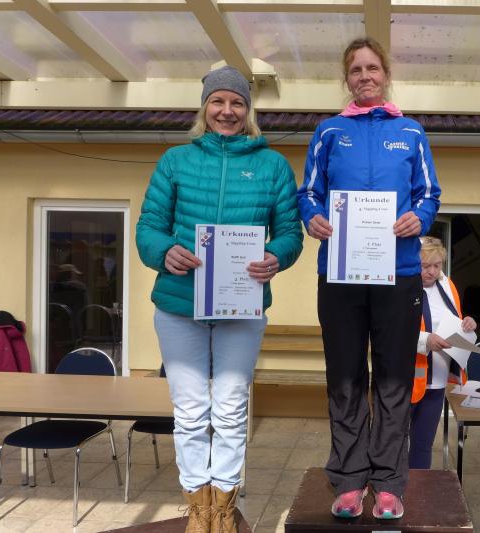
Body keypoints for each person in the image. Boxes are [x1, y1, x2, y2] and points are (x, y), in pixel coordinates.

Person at [136, 65, 303, 533]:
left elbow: (290, 233)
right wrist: (163, 251)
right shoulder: (175, 160)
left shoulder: (272, 165)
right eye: (218, 101)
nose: (227, 111)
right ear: (204, 107)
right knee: (190, 412)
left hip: (241, 306)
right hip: (179, 306)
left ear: (248, 111)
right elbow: (148, 227)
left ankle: (224, 508)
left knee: (230, 410)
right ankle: (198, 509)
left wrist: (275, 256)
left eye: (237, 103)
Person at [296, 36, 440, 520]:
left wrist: (420, 218)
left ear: (386, 75)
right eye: (356, 70)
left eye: (372, 68)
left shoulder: (411, 132)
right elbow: (308, 192)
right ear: (347, 78)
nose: (365, 76)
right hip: (340, 274)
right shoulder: (329, 131)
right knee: (345, 377)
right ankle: (349, 479)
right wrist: (312, 217)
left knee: (394, 379)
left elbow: (429, 194)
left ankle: (389, 482)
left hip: (399, 273)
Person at [409, 236, 476, 469]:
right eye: (425, 266)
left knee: (423, 444)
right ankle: (392, 487)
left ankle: (419, 487)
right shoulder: (403, 285)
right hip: (406, 379)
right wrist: (426, 340)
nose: (432, 272)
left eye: (437, 265)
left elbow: (455, 320)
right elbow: (393, 331)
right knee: (394, 442)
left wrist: (468, 323)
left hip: (437, 380)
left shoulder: (447, 285)